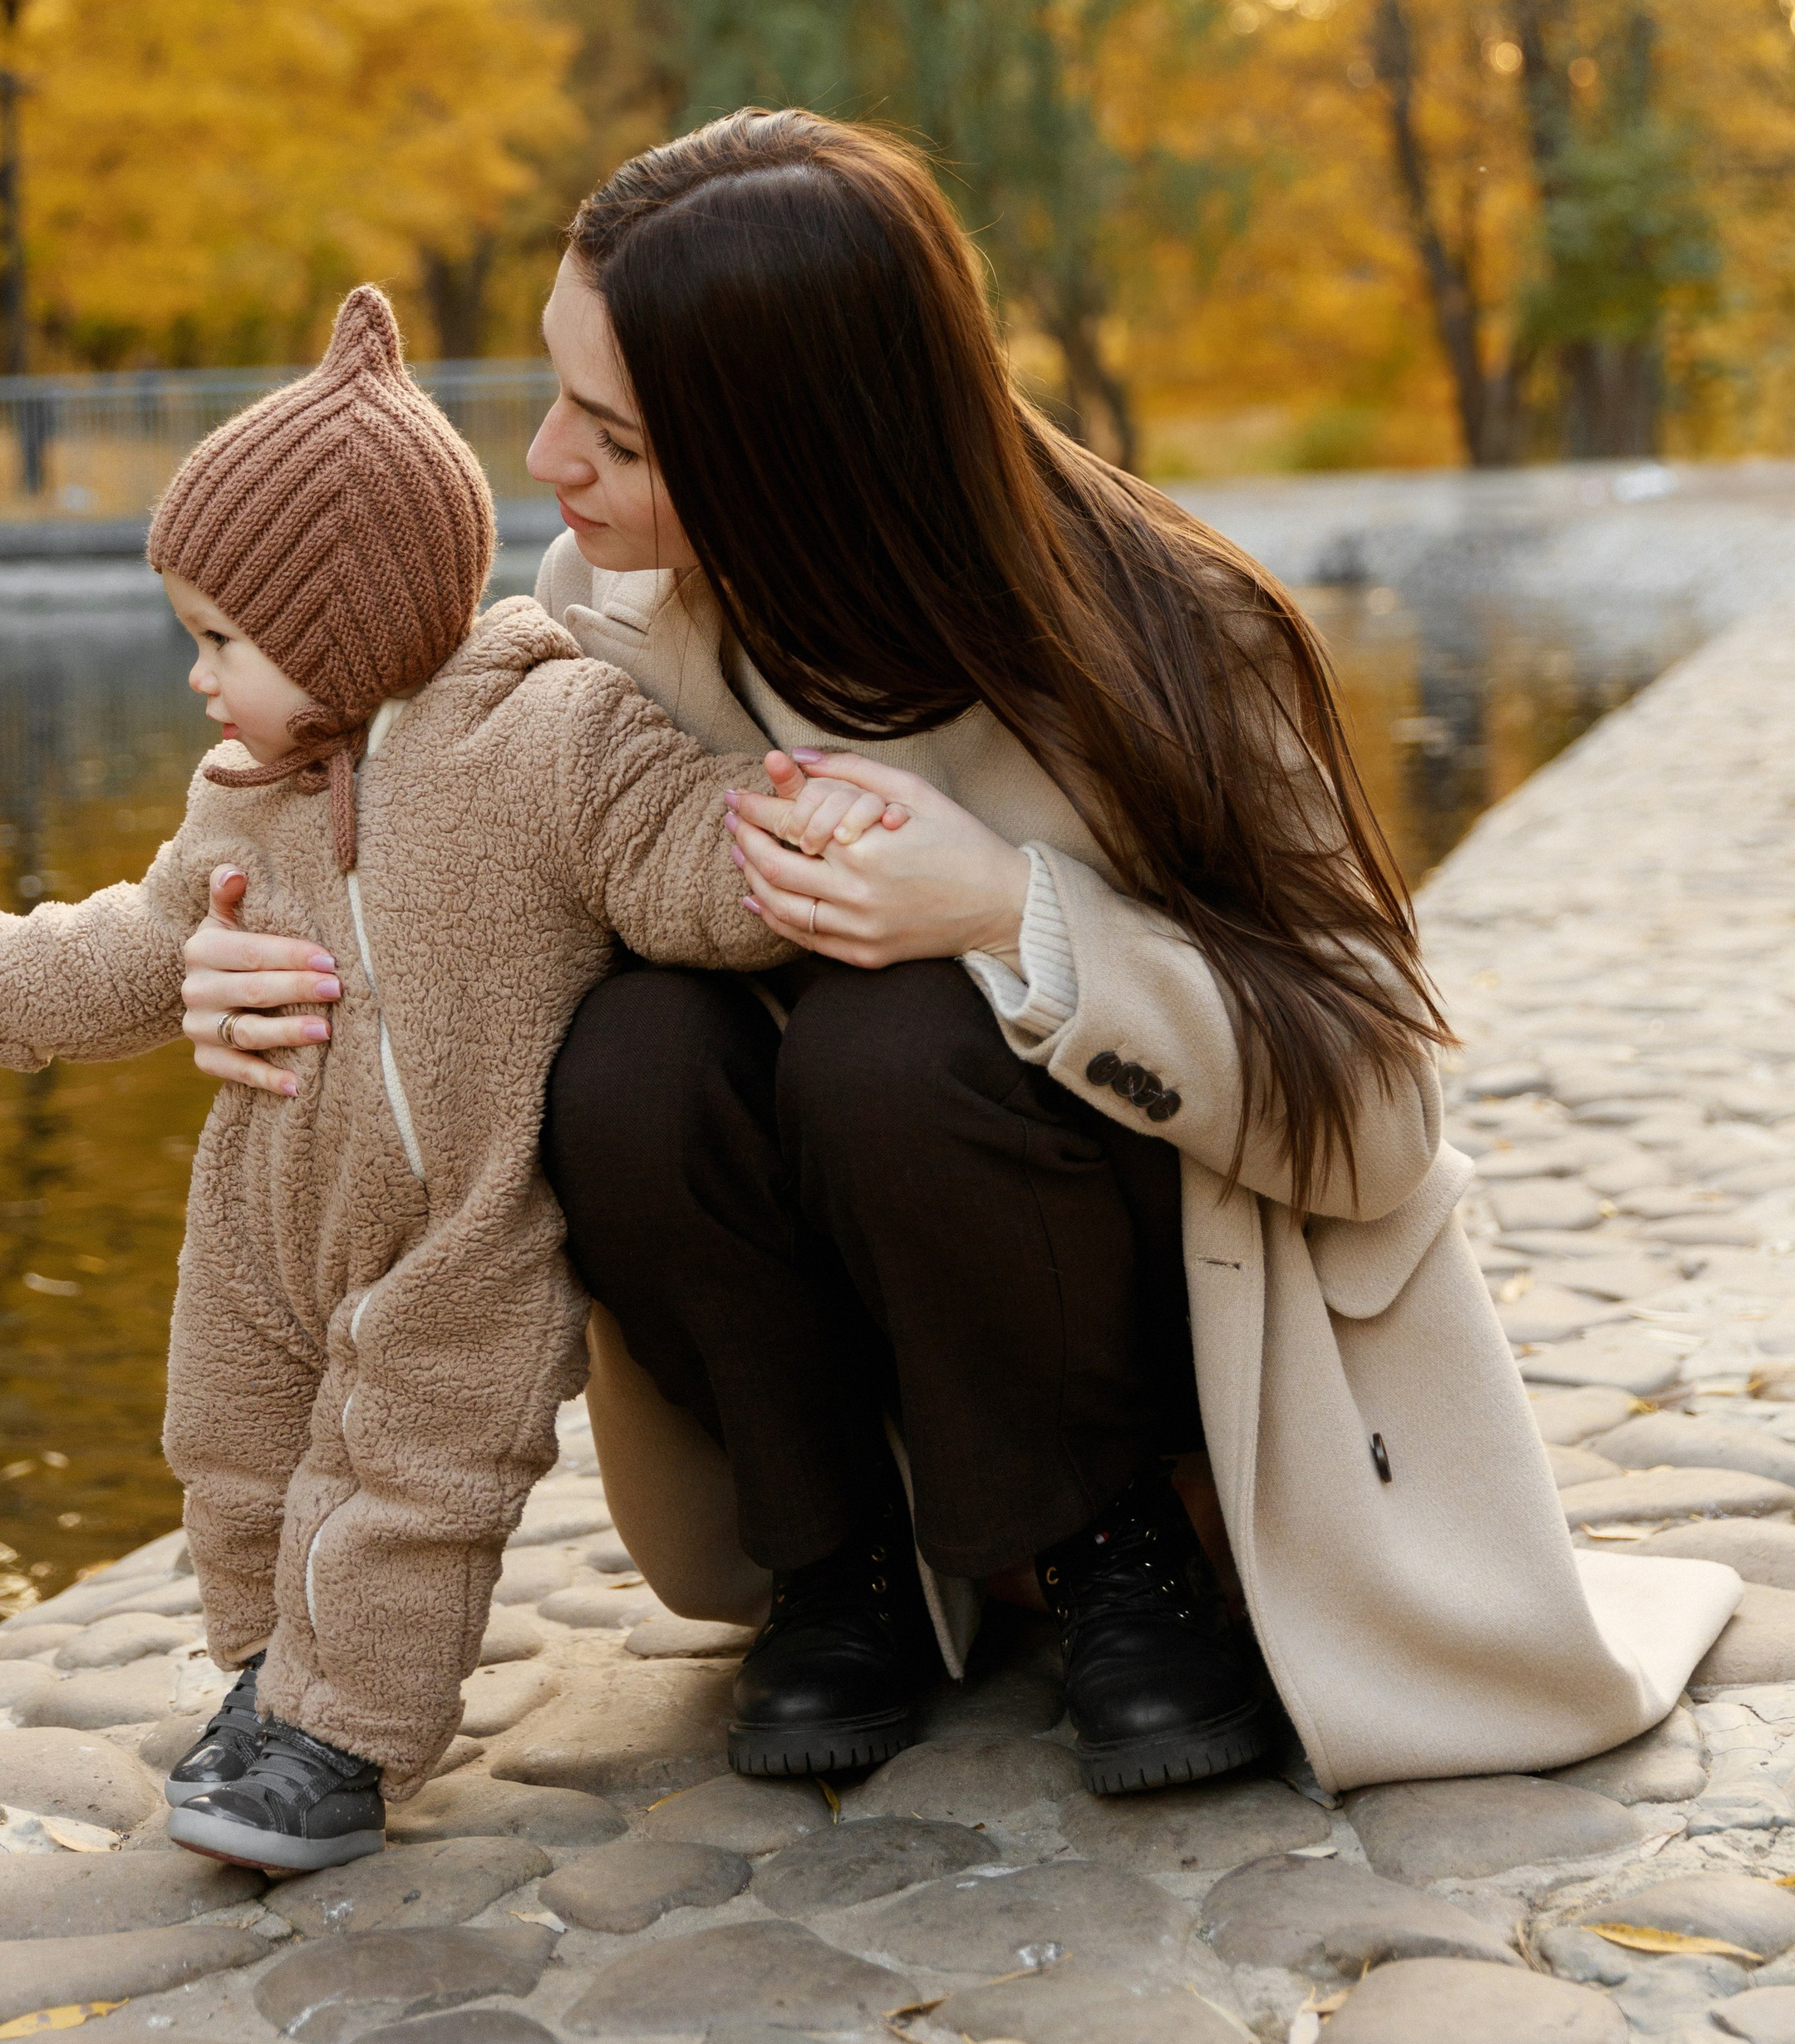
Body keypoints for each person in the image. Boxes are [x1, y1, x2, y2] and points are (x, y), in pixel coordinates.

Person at [181, 111, 1741, 1799]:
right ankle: (830, 1566)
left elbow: (1376, 1117)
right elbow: (430, 914)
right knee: (626, 1051)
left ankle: (1107, 1546)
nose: (547, 462)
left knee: (897, 1040)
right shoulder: (598, 613)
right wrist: (261, 980)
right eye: (556, 397)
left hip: (1127, 1330)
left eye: (617, 438)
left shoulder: (1174, 641)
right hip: (826, 1337)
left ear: (803, 452)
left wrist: (1015, 915)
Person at [0, 285, 793, 1869]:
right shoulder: (245, 797)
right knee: (234, 1442)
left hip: (466, 1218)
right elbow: (148, 939)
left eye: (221, 640)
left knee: (411, 1473)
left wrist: (798, 845)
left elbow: (677, 861)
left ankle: (345, 1741)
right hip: (263, 1210)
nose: (199, 677)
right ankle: (269, 1673)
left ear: (332, 628)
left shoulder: (550, 741)